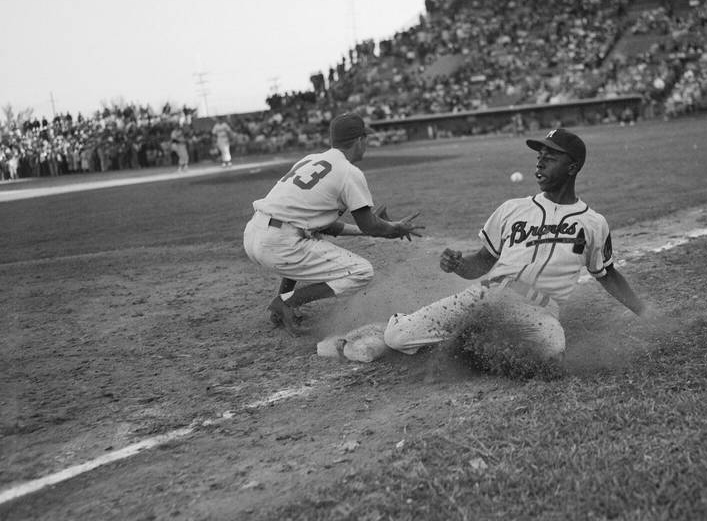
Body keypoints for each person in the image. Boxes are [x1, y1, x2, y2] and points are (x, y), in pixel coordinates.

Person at [378, 128, 647, 362]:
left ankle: (468, 342)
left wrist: (644, 313)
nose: (540, 163)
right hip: (488, 294)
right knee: (397, 337)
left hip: (539, 310)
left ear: (572, 168)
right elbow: (483, 262)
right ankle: (431, 330)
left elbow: (607, 274)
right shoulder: (512, 209)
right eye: (539, 157)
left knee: (551, 353)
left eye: (550, 158)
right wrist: (459, 264)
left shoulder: (592, 223)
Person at [242, 112, 425, 336]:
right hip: (280, 244)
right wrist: (393, 229)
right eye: (365, 139)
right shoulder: (349, 172)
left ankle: (284, 304)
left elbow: (322, 226)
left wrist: (376, 229)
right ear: (359, 141)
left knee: (308, 237)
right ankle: (286, 302)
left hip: (254, 233)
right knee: (361, 272)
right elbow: (370, 226)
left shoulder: (309, 160)